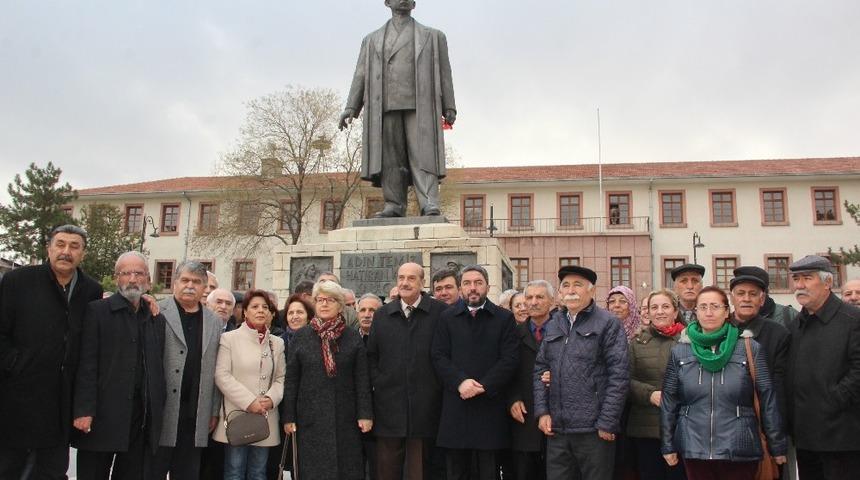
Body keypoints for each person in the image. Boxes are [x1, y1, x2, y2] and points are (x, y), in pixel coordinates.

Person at [0, 224, 103, 479]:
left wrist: (144, 300)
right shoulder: (17, 281)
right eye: (60, 244)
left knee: (51, 470)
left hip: (61, 402)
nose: (66, 252)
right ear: (49, 248)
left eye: (74, 246)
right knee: (9, 467)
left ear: (83, 254)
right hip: (17, 397)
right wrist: (14, 364)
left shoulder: (91, 290)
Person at [339, 0, 457, 218]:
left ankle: (429, 202)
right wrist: (351, 106)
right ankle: (394, 204)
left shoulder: (433, 36)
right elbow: (361, 74)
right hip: (383, 104)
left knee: (423, 154)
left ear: (414, 3)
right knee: (390, 159)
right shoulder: (372, 40)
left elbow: (445, 74)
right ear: (387, 2)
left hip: (421, 103)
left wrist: (449, 105)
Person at [660, 286, 787, 479]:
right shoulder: (680, 351)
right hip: (695, 447)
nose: (708, 312)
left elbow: (767, 398)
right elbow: (669, 401)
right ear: (696, 312)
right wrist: (668, 444)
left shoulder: (749, 347)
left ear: (726, 311)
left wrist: (777, 445)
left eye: (715, 306)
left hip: (739, 446)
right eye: (702, 307)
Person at [72, 252, 166, 479]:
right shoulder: (97, 311)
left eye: (139, 273)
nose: (133, 279)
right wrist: (83, 410)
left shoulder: (155, 318)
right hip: (101, 416)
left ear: (148, 280)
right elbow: (86, 364)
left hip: (138, 419)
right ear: (117, 279)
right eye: (126, 273)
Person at [533, 265, 629, 480]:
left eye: (578, 285)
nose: (570, 290)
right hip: (558, 429)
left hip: (594, 430)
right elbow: (540, 368)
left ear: (592, 291)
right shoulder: (555, 323)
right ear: (559, 293)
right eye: (565, 285)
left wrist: (607, 421)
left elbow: (619, 376)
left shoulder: (608, 323)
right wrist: (542, 412)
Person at [432, 265, 519, 479]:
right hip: (456, 404)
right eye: (468, 283)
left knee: (487, 470)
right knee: (456, 469)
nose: (473, 288)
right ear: (461, 288)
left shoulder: (504, 318)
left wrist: (483, 386)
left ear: (487, 287)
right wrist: (461, 382)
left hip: (489, 406)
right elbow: (439, 356)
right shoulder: (447, 317)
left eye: (478, 283)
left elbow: (509, 359)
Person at [283, 281, 373, 479]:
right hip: (310, 419)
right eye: (320, 300)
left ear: (340, 305)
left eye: (330, 300)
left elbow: (362, 379)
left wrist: (365, 414)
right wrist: (288, 417)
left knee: (347, 468)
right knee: (313, 470)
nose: (324, 304)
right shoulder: (302, 337)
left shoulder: (352, 337)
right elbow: (291, 381)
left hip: (346, 418)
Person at [368, 262, 448, 480]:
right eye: (401, 277)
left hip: (426, 408)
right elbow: (372, 356)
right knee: (387, 469)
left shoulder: (440, 313)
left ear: (422, 283)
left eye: (411, 278)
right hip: (389, 408)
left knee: (419, 471)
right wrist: (381, 381)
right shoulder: (383, 315)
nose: (405, 282)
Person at [784, 255, 860, 478]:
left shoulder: (853, 320)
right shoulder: (796, 324)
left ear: (828, 282)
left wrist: (833, 399)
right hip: (805, 437)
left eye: (807, 278)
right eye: (796, 279)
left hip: (842, 437)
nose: (799, 285)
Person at [151, 261, 222, 479]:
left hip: (196, 414)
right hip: (161, 412)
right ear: (175, 284)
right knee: (154, 471)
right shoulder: (156, 312)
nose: (190, 286)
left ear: (204, 288)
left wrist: (213, 409)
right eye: (185, 280)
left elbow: (218, 367)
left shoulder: (214, 321)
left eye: (197, 282)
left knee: (188, 473)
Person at [212, 289, 286, 480]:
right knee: (234, 470)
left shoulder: (277, 343)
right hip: (238, 415)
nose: (261, 311)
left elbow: (281, 378)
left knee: (258, 472)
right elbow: (222, 375)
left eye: (265, 307)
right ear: (245, 311)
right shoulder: (229, 338)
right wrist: (249, 401)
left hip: (265, 416)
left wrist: (271, 399)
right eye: (255, 306)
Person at [627, 289, 686, 480]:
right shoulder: (637, 342)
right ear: (648, 313)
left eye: (665, 306)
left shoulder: (690, 342)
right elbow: (624, 380)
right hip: (646, 428)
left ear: (675, 312)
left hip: (682, 428)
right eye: (654, 307)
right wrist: (649, 394)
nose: (660, 311)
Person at [728, 267, 791, 419]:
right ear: (731, 298)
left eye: (753, 294)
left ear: (762, 300)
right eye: (741, 293)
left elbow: (780, 386)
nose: (746, 299)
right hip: (725, 417)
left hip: (762, 417)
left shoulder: (778, 334)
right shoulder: (719, 329)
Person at [508, 280, 554, 480]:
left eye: (540, 297)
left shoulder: (565, 331)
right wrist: (512, 398)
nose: (533, 302)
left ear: (552, 301)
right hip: (524, 416)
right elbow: (507, 372)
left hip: (557, 416)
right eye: (529, 297)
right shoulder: (513, 334)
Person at [355, 292, 382, 479]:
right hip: (353, 416)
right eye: (362, 310)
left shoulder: (389, 339)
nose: (367, 314)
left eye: (372, 310)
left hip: (382, 416)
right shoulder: (348, 339)